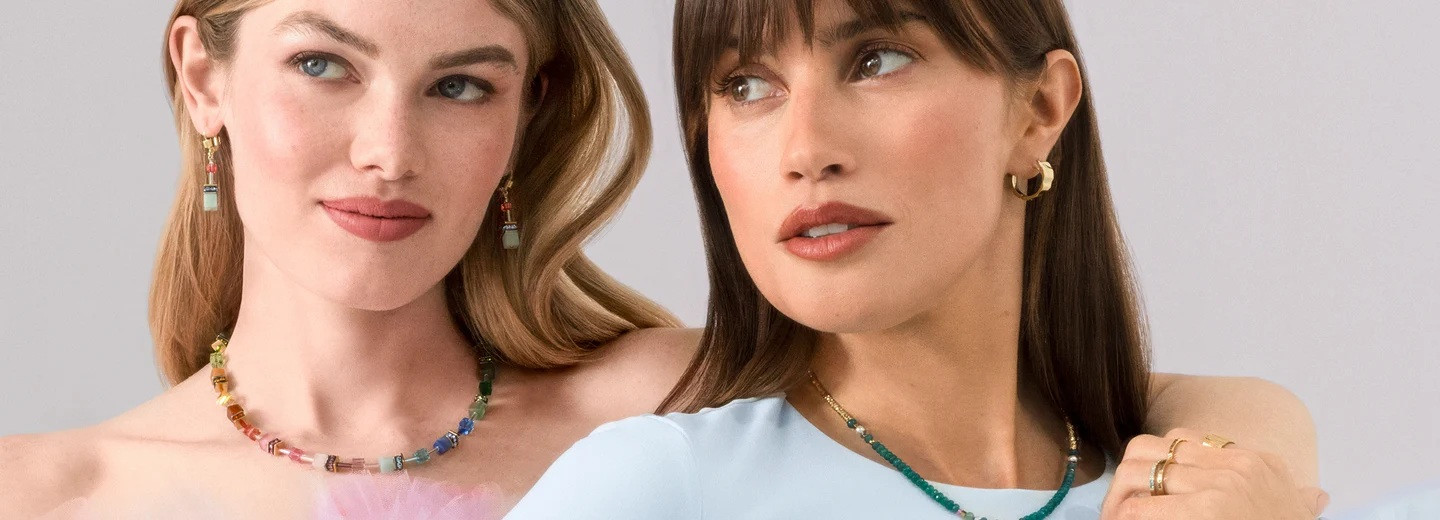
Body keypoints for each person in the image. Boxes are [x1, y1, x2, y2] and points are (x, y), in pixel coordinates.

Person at [508, 1, 1325, 518]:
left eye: (877, 60)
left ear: (1040, 110)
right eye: (747, 86)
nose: (806, 150)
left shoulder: (1205, 484)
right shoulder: (654, 488)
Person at [0, 0, 696, 517]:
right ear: (204, 79)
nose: (390, 155)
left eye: (459, 85)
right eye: (322, 66)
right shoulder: (36, 497)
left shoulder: (680, 413)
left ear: (525, 116)